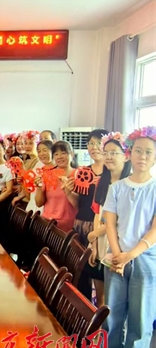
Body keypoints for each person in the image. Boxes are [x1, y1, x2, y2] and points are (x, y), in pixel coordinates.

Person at [91, 126, 156, 348]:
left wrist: (131, 254)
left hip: (145, 259)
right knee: (113, 310)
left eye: (148, 152)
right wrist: (118, 254)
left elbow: (154, 229)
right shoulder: (117, 187)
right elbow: (110, 222)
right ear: (130, 153)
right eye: (138, 151)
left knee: (141, 316)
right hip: (115, 257)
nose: (143, 156)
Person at [87, 133, 131, 308]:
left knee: (115, 298)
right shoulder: (101, 182)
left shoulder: (129, 184)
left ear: (126, 156)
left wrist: (94, 234)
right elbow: (97, 213)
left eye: (114, 153)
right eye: (106, 153)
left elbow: (120, 219)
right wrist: (94, 244)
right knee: (100, 295)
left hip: (118, 243)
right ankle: (100, 325)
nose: (108, 157)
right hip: (100, 241)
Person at [70, 129, 107, 301]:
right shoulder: (82, 172)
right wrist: (67, 192)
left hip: (100, 227)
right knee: (81, 270)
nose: (94, 147)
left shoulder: (111, 173)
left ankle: (100, 309)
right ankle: (84, 306)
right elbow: (78, 204)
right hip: (80, 223)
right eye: (91, 143)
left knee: (99, 274)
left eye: (99, 143)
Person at [34, 140, 78, 231]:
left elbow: (80, 205)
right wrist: (39, 188)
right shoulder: (47, 175)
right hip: (48, 223)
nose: (60, 157)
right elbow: (39, 203)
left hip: (70, 226)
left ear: (72, 154)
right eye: (56, 154)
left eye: (63, 153)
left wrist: (69, 192)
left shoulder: (79, 175)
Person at [12, 139, 54, 212]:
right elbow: (30, 195)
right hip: (32, 207)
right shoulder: (38, 165)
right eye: (39, 151)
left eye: (45, 150)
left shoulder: (56, 170)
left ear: (53, 151)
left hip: (46, 210)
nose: (41, 154)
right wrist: (23, 182)